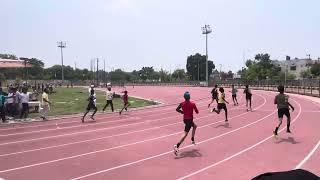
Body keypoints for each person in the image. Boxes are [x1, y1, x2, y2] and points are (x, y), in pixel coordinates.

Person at [174, 92, 199, 156]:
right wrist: (194, 109)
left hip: (185, 120)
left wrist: (182, 112)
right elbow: (197, 112)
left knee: (195, 126)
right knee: (185, 134)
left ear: (184, 97)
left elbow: (177, 109)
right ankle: (177, 145)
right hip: (189, 120)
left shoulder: (182, 103)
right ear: (189, 97)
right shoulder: (192, 104)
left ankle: (192, 138)